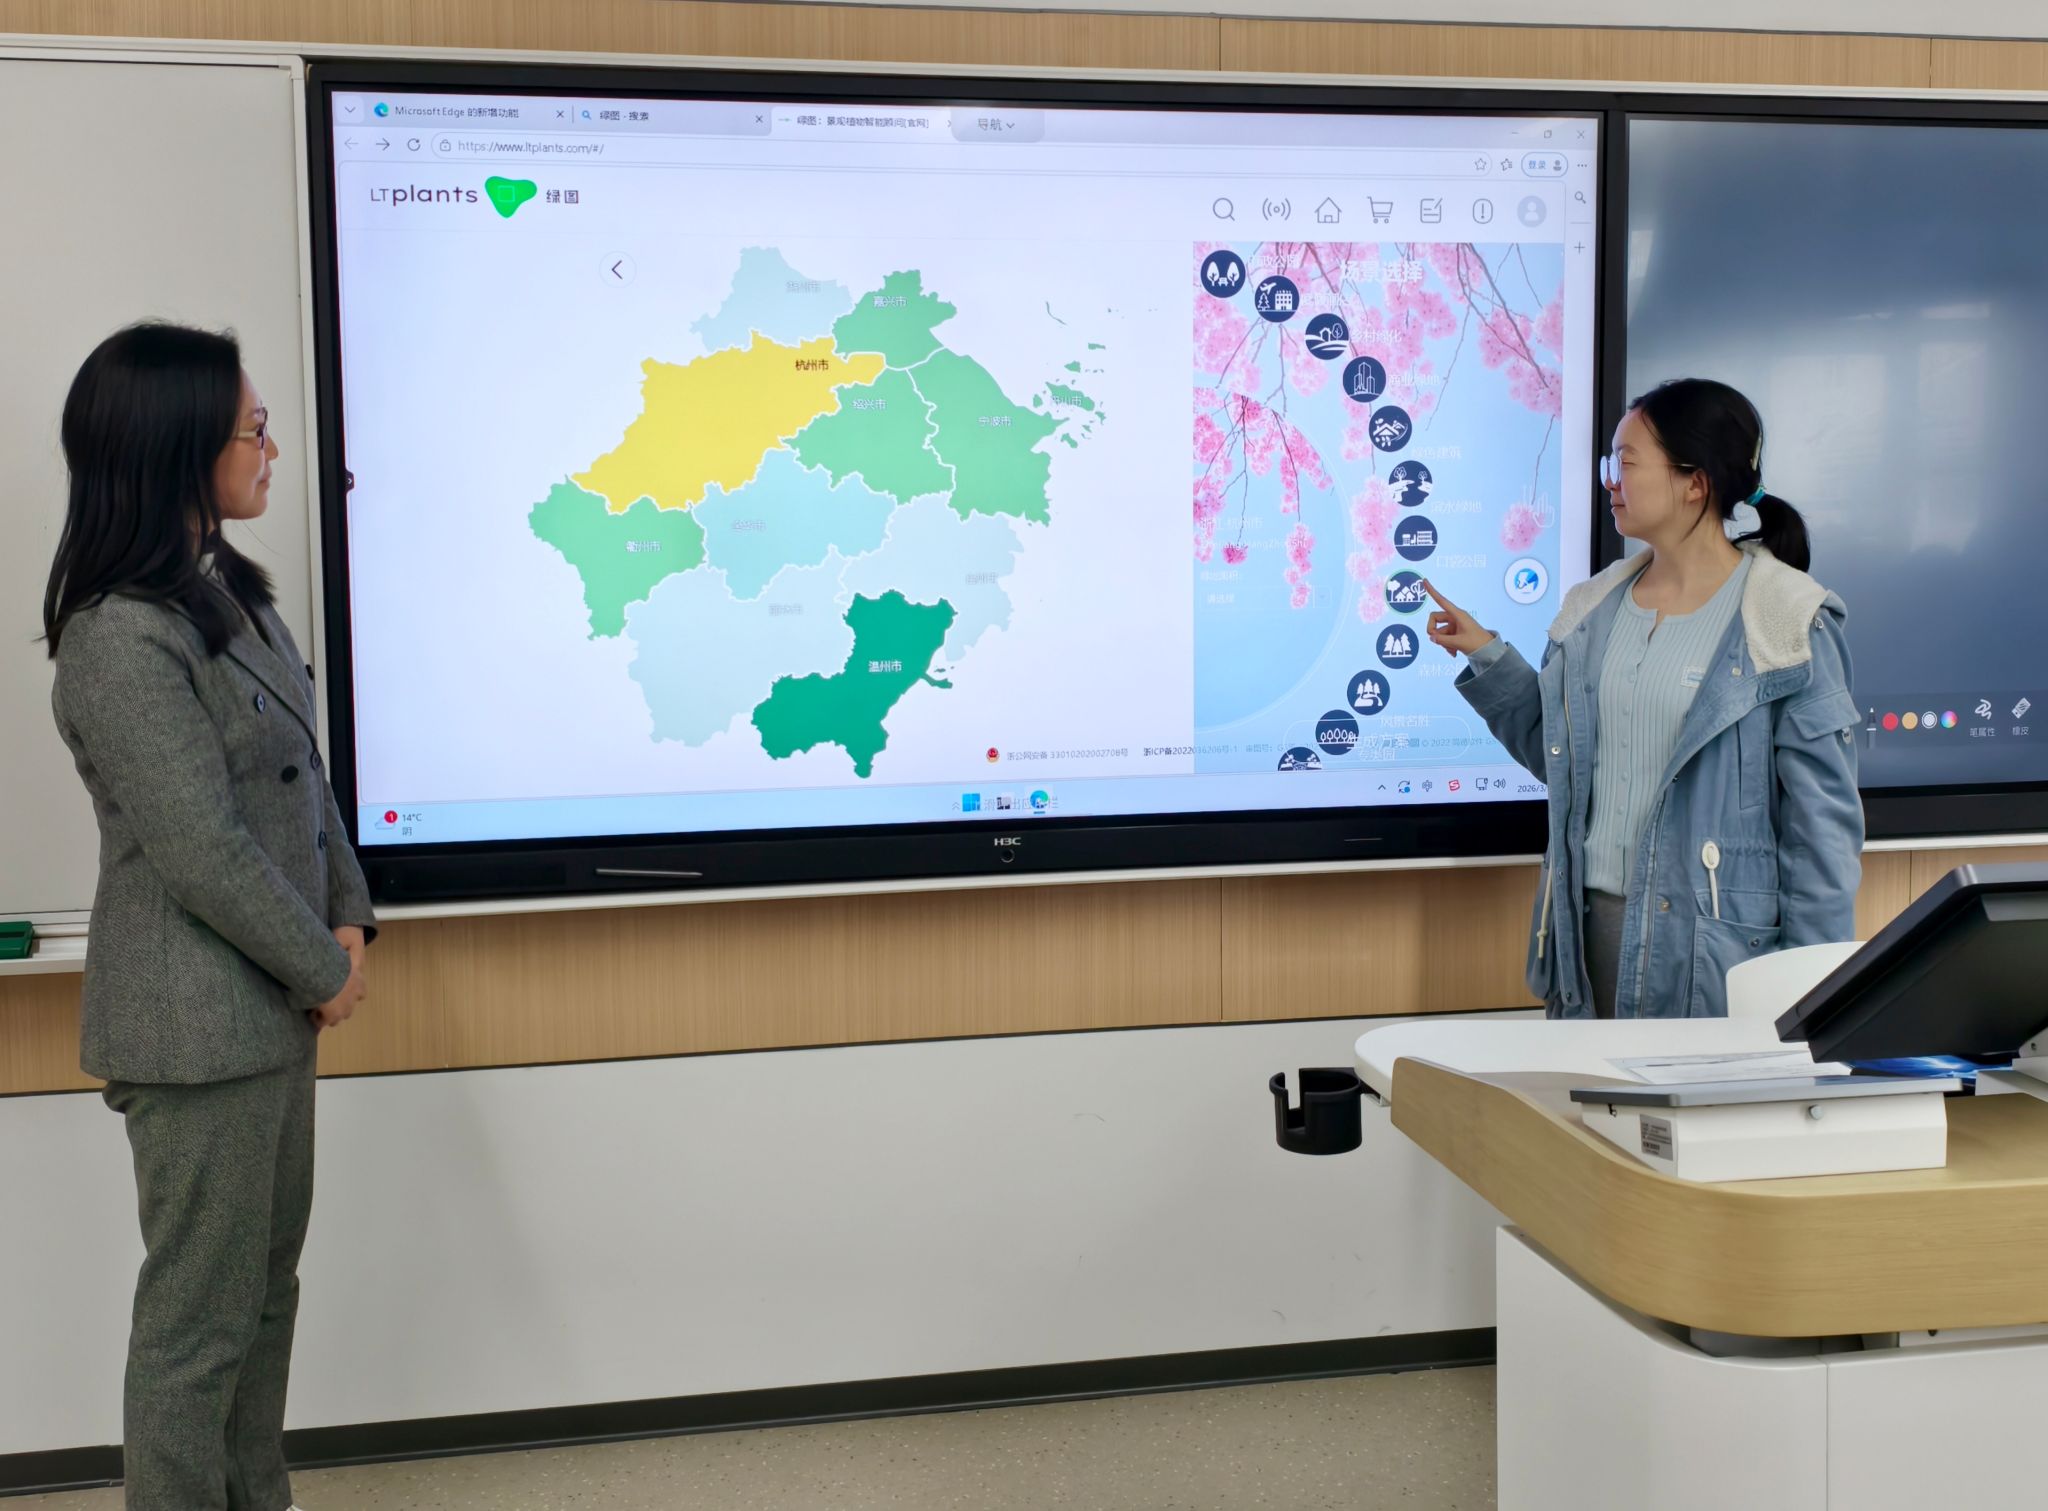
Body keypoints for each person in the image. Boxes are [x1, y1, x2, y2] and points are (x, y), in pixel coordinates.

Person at [42, 322, 375, 1510]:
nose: (271, 449)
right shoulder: (118, 635)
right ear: (180, 446)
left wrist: (350, 914)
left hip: (268, 1010)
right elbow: (201, 849)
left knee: (264, 1297)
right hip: (194, 1025)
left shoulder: (229, 592)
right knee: (199, 1326)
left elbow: (302, 776)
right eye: (253, 429)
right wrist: (321, 967)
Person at [1423, 378, 1861, 1019]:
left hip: (1715, 966)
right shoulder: (1591, 611)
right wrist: (1488, 656)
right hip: (1584, 950)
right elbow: (1567, 765)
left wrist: (1812, 996)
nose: (1610, 482)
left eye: (1626, 463)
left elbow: (1821, 833)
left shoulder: (1788, 623)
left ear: (1695, 482)